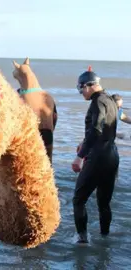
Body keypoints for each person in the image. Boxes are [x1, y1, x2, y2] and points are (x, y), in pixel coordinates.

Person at [71, 66, 119, 244]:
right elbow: (106, 129)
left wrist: (80, 155)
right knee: (103, 203)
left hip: (98, 156)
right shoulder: (110, 100)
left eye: (81, 88)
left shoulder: (97, 102)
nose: (80, 92)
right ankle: (104, 237)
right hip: (112, 155)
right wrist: (84, 142)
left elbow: (97, 129)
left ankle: (82, 240)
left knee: (78, 200)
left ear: (90, 85)